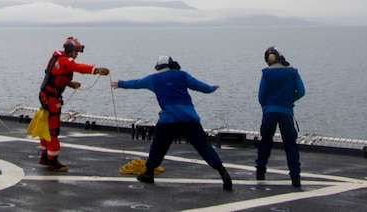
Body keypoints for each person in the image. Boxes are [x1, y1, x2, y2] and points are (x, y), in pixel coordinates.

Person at [111, 55, 232, 190]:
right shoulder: (182, 75)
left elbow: (136, 83)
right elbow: (200, 86)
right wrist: (212, 88)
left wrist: (120, 84)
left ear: (158, 66)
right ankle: (223, 173)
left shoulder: (153, 79)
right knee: (203, 146)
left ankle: (149, 173)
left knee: (158, 146)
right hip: (189, 117)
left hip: (169, 119)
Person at [38, 36, 110, 172]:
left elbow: (55, 77)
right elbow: (78, 68)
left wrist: (69, 84)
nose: (76, 55)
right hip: (51, 99)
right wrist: (96, 70)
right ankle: (52, 161)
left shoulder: (57, 59)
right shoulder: (65, 61)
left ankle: (44, 156)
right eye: (76, 52)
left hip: (46, 96)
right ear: (70, 50)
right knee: (53, 130)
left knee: (45, 128)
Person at [255, 46, 305, 188]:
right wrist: (289, 101)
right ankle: (295, 176)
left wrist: (266, 107)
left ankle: (260, 172)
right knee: (290, 144)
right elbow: (301, 91)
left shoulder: (266, 74)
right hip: (286, 112)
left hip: (269, 111)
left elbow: (261, 96)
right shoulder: (292, 72)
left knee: (265, 141)